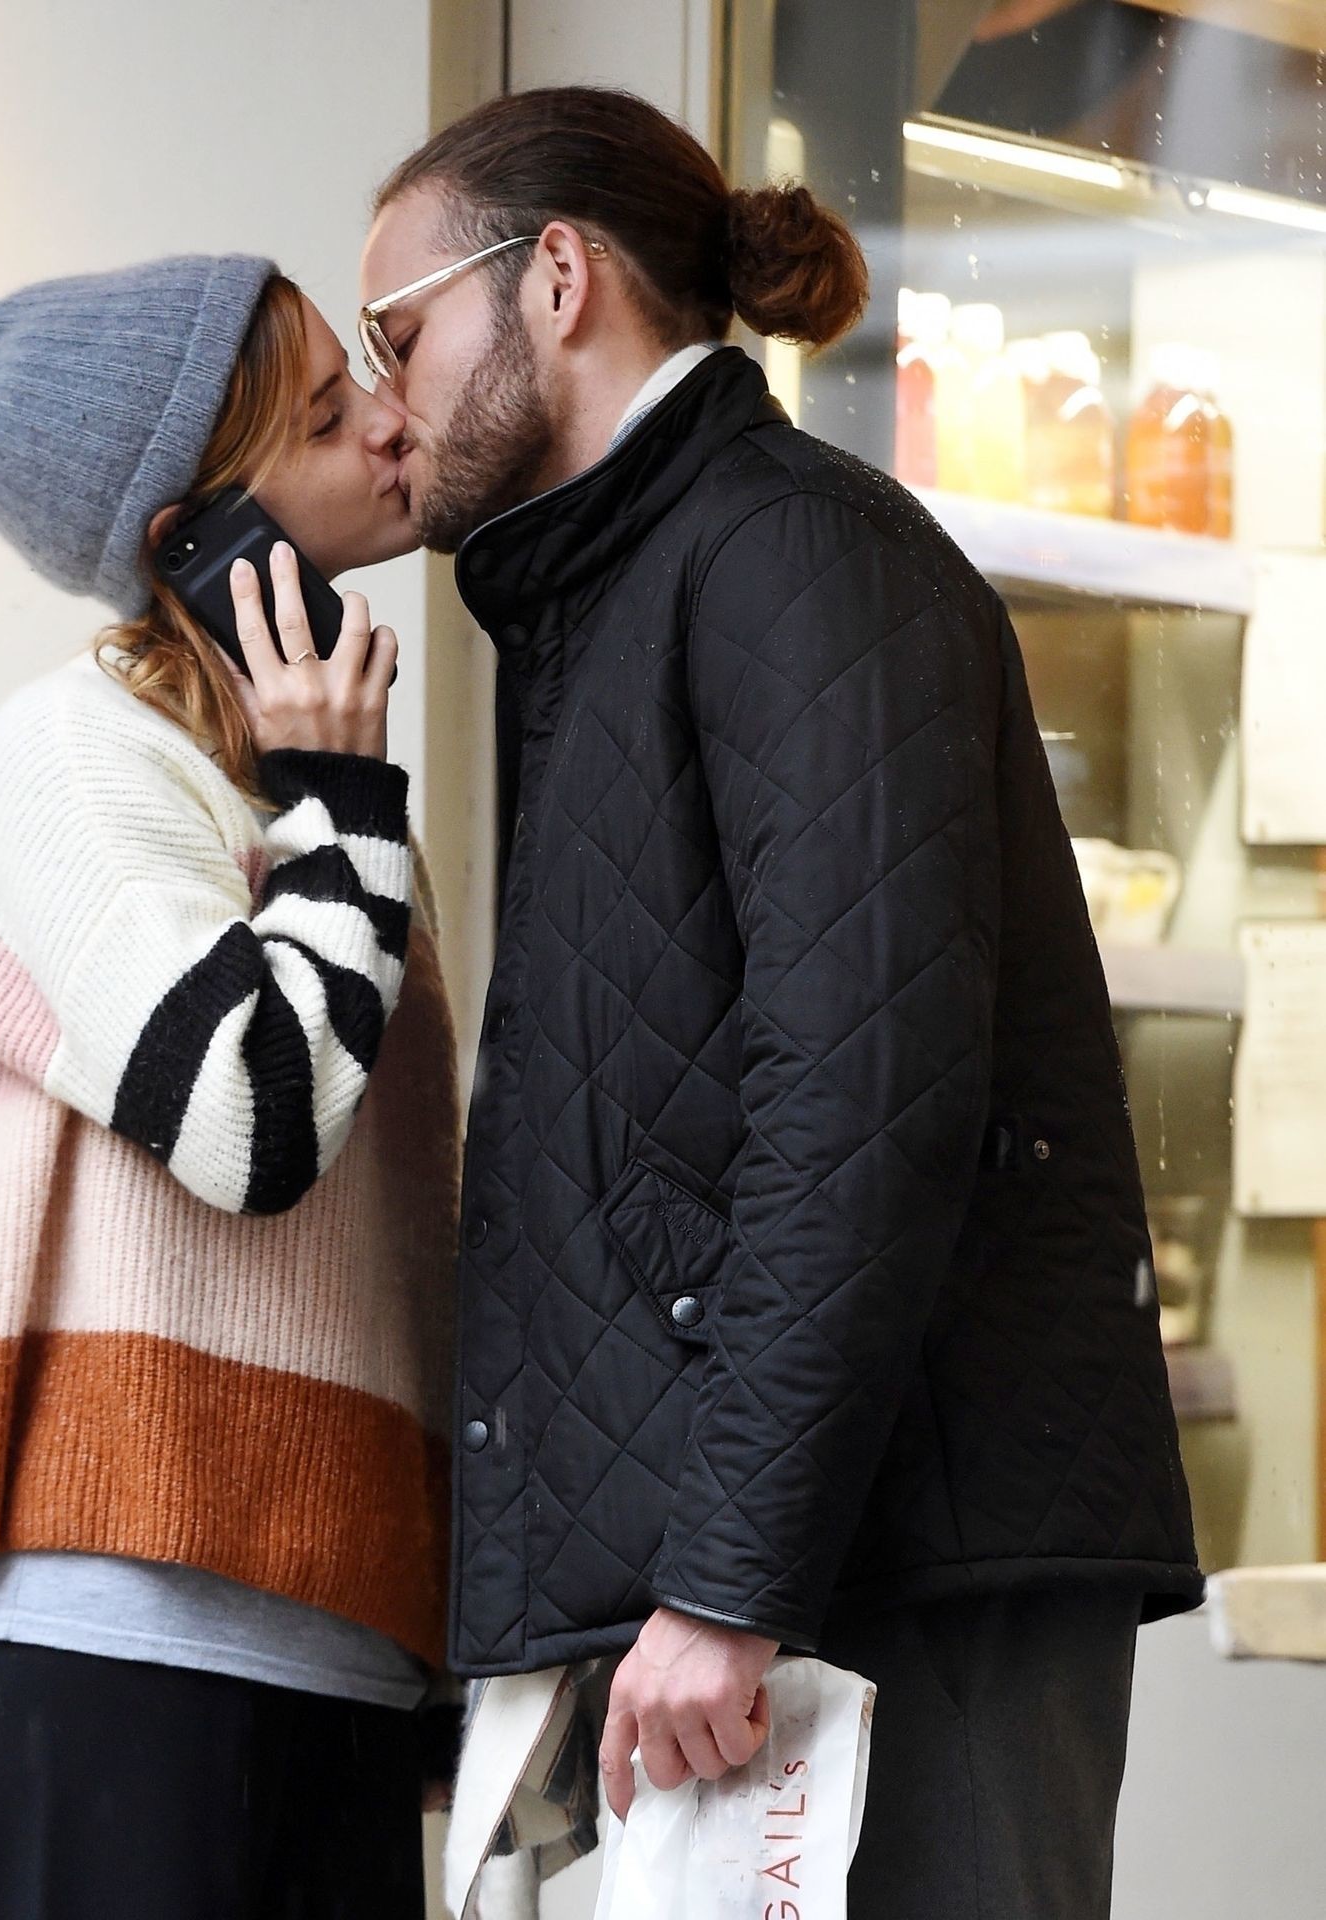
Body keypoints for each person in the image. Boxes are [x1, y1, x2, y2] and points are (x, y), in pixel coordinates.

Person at [358, 86, 1203, 1919]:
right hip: (808, 1565)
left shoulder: (791, 555)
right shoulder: (625, 590)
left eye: (396, 334)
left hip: (887, 1574)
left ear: (556, 279)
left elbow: (863, 1089)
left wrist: (725, 1578)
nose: (383, 402)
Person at [0, 254, 461, 1920]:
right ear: (195, 539)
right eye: (326, 417)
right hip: (126, 1646)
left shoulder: (291, 793)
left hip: (330, 1639)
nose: (391, 425)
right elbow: (251, 1121)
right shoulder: (78, 756)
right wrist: (343, 804)